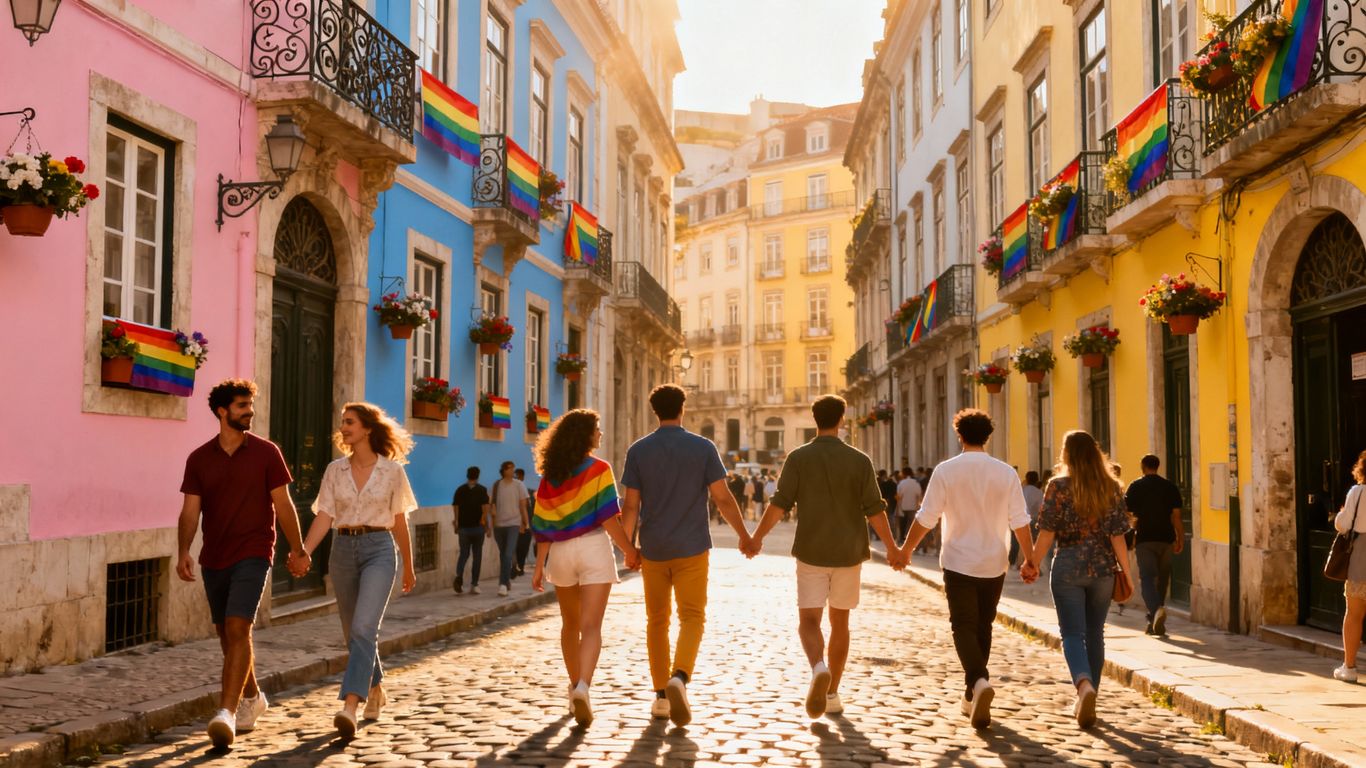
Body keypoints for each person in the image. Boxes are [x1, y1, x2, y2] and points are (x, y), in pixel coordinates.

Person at [749, 395, 905, 719]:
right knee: (841, 623)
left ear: (814, 418)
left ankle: (818, 667)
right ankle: (832, 692)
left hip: (811, 550)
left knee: (808, 621)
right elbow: (875, 510)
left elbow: (779, 503)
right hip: (849, 553)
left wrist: (756, 538)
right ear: (843, 421)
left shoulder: (799, 458)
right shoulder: (860, 460)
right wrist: (892, 548)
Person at [176, 379, 306, 748]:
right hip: (214, 555)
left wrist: (297, 549)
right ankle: (252, 698)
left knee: (237, 627)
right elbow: (190, 511)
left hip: (255, 550)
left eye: (250, 405)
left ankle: (226, 713)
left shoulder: (267, 453)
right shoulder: (199, 459)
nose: (249, 411)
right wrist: (184, 551)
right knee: (226, 634)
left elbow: (283, 504)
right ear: (222, 411)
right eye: (241, 406)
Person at [620, 385, 751, 726]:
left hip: (654, 549)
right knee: (692, 616)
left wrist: (627, 549)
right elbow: (722, 498)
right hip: (692, 547)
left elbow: (631, 505)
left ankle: (661, 696)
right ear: (682, 409)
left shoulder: (638, 450)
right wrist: (745, 536)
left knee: (656, 621)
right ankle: (680, 675)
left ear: (654, 411)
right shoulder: (703, 447)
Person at [898, 409, 1034, 729]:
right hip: (993, 561)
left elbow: (927, 516)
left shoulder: (947, 471)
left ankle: (978, 681)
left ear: (959, 435)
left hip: (959, 561)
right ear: (988, 436)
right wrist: (1030, 559)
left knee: (963, 625)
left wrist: (906, 550)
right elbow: (1020, 520)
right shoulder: (1005, 473)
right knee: (983, 625)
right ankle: (973, 694)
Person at [296, 403, 417, 737]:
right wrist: (306, 551)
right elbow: (324, 516)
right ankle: (376, 687)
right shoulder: (335, 470)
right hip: (343, 551)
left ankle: (351, 705)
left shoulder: (392, 472)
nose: (344, 428)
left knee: (365, 626)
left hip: (379, 549)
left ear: (367, 429)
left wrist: (408, 565)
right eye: (343, 423)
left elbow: (399, 521)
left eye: (350, 422)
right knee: (355, 634)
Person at [530, 410, 639, 727]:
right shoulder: (599, 469)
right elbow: (608, 518)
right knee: (591, 627)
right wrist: (629, 550)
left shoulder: (550, 476)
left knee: (569, 625)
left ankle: (573, 683)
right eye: (597, 430)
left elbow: (543, 525)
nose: (601, 435)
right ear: (585, 435)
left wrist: (539, 567)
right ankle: (583, 687)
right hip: (592, 548)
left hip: (561, 553)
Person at [1029, 430, 1133, 729]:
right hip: (1102, 569)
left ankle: (1083, 685)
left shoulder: (1057, 486)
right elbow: (1118, 536)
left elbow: (1047, 531)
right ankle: (1091, 696)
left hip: (1069, 566)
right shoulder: (1110, 486)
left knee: (1072, 634)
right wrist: (1127, 573)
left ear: (1067, 454)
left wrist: (1032, 563)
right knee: (1095, 633)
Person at [1124, 455, 1184, 635]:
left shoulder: (1135, 486)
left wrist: (1131, 527)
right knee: (1163, 579)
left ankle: (1156, 610)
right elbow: (1176, 517)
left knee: (1148, 578)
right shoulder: (1169, 487)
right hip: (1166, 539)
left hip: (1145, 539)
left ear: (1143, 466)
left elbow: (1125, 512)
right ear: (1158, 466)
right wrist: (1180, 538)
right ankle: (1155, 620)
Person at [1332, 450, 1366, 683]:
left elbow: (1342, 525)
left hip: (1362, 554)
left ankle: (1350, 667)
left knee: (1354, 614)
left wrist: (1342, 513)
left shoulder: (1358, 492)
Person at [489, 460, 530, 596]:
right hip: (499, 525)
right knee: (503, 555)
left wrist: (526, 523)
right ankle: (506, 581)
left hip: (514, 524)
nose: (512, 471)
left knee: (507, 554)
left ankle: (502, 584)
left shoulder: (519, 485)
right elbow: (491, 504)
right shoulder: (496, 485)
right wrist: (491, 520)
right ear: (504, 470)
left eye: (513, 468)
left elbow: (523, 506)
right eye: (510, 469)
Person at [451, 466, 489, 595]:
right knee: (477, 556)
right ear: (478, 476)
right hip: (478, 528)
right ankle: (474, 584)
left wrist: (456, 523)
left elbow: (456, 508)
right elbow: (485, 510)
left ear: (467, 475)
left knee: (464, 554)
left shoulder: (460, 490)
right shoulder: (482, 490)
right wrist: (485, 523)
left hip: (463, 528)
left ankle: (459, 576)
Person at [514, 468, 535, 578]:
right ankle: (515, 567)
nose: (516, 479)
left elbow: (534, 510)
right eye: (515, 477)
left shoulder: (530, 493)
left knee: (524, 547)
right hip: (515, 525)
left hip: (527, 526)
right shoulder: (512, 493)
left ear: (522, 477)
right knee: (515, 547)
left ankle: (520, 567)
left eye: (518, 477)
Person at [895, 466, 922, 543]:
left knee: (902, 525)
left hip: (903, 507)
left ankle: (901, 540)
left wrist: (897, 508)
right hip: (913, 507)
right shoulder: (916, 483)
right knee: (911, 526)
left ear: (903, 473)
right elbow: (919, 496)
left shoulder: (901, 483)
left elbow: (898, 497)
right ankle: (911, 540)